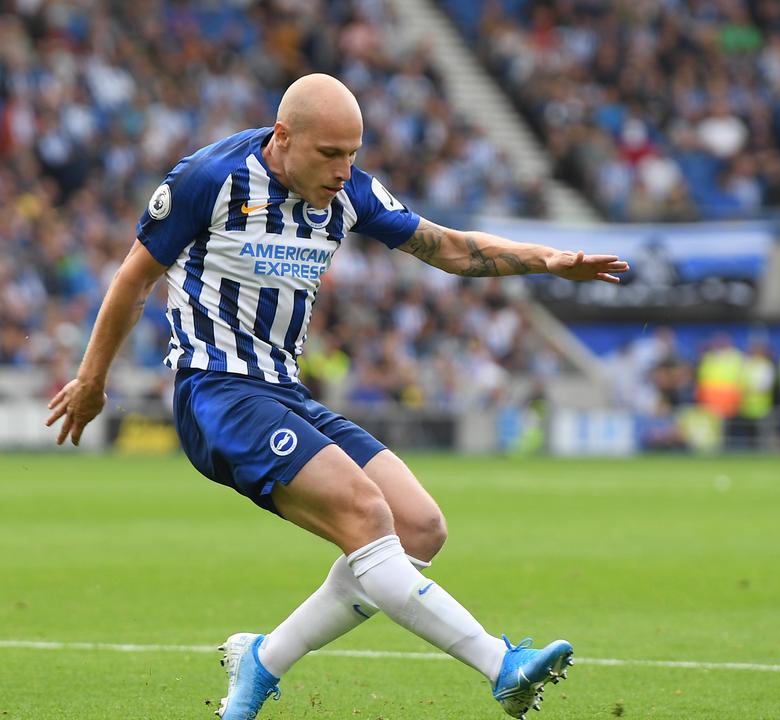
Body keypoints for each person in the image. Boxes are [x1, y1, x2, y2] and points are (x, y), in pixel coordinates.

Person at [45, 74, 628, 720]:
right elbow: (134, 278)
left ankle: (264, 660)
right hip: (216, 392)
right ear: (284, 137)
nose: (344, 170)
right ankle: (501, 664)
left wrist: (545, 260)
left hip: (283, 392)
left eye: (353, 153)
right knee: (366, 515)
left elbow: (450, 249)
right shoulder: (208, 180)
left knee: (419, 527)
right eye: (330, 154)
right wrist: (92, 380)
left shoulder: (348, 193)